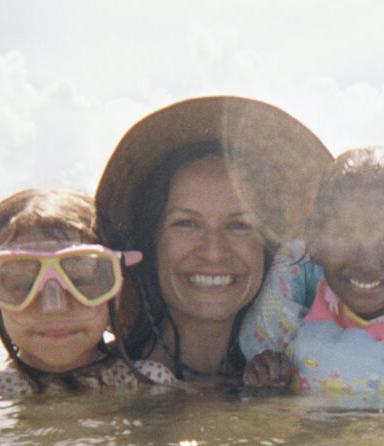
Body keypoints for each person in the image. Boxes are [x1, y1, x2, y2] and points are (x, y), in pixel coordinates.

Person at [94, 96, 332, 382]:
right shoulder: (95, 383)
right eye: (187, 224)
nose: (214, 252)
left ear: (269, 249)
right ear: (150, 243)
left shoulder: (303, 382)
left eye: (239, 226)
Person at [242, 147, 384, 390]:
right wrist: (270, 383)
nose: (366, 262)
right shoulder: (301, 316)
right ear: (317, 243)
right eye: (345, 238)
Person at [0, 188, 175, 402]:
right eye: (23, 284)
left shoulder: (149, 382)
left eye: (81, 280)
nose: (53, 307)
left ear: (118, 287)